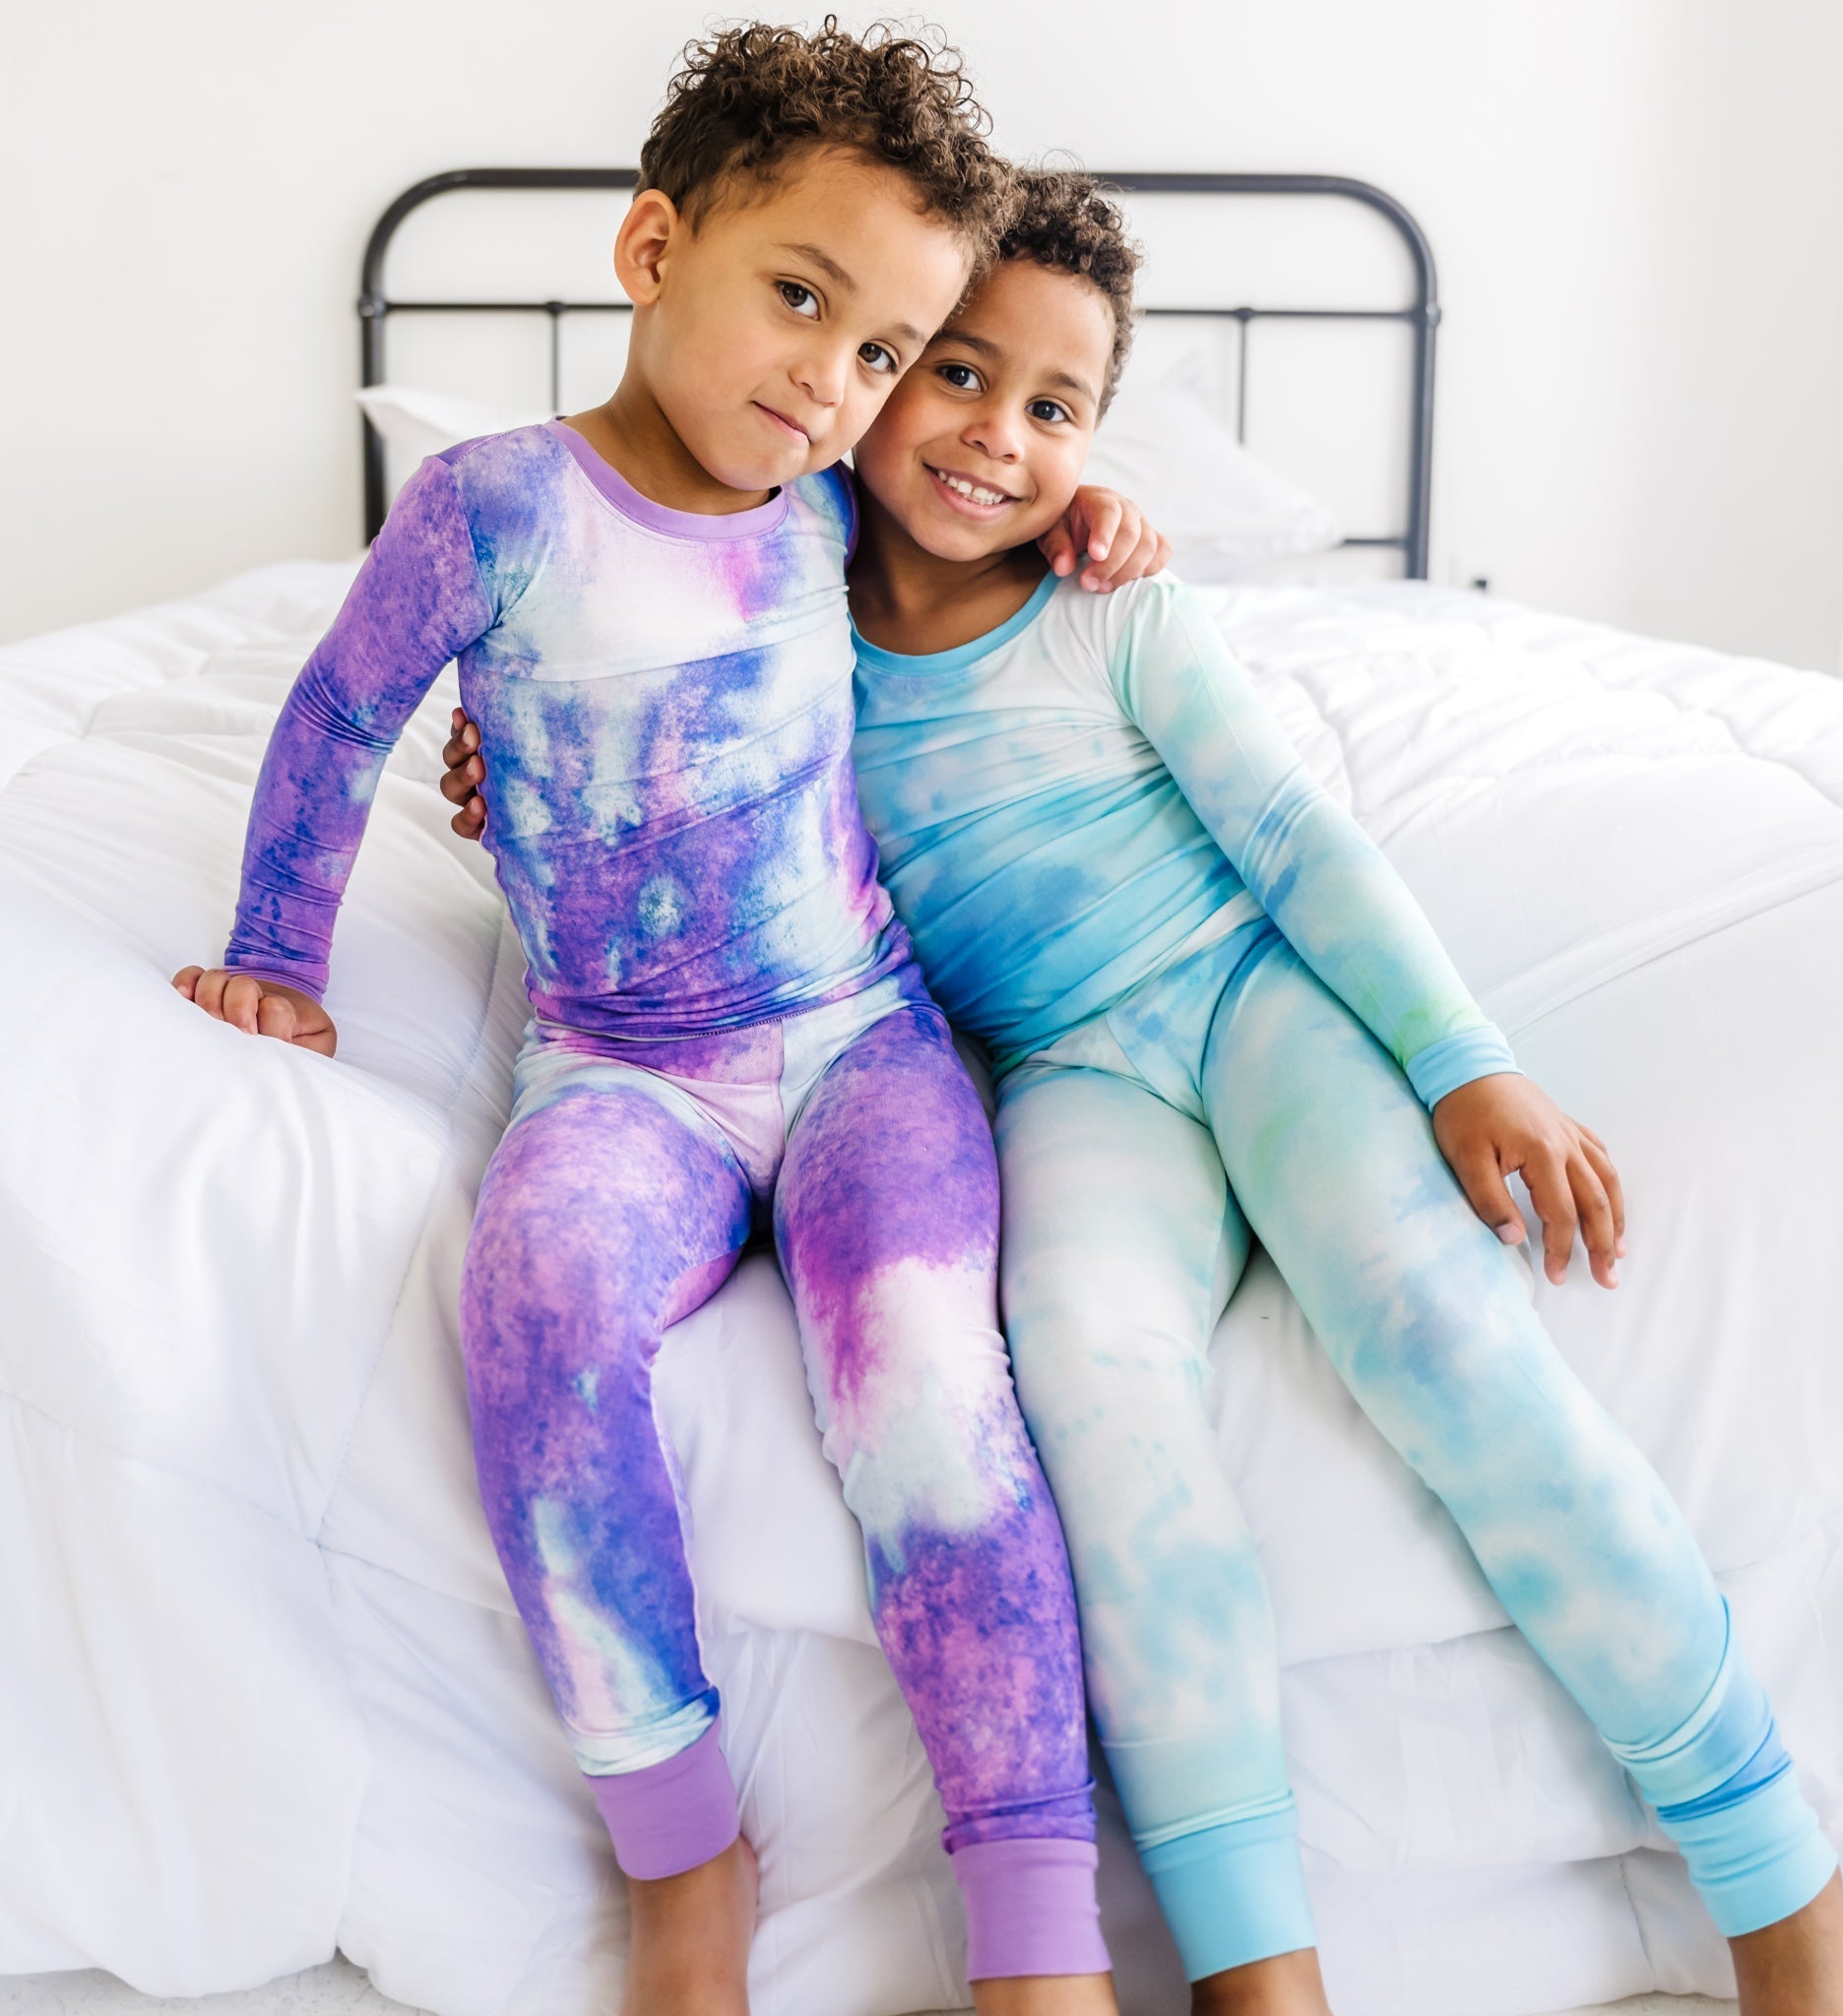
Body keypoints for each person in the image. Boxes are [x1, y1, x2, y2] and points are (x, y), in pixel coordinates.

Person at [446, 169, 1843, 2016]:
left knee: (1446, 1339)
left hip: (1256, 1006)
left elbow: (1299, 839)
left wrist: (1465, 1065)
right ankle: (1259, 1974)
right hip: (1068, 1076)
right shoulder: (777, 615)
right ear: (871, 371)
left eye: (1056, 409)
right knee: (1098, 1417)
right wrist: (525, 744)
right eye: (955, 373)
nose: (995, 436)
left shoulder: (1113, 607)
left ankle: (1778, 1880)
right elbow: (650, 718)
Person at [173, 30, 1171, 2016]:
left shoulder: (836, 504)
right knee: (534, 1303)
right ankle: (683, 1849)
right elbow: (343, 716)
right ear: (651, 251)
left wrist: (1089, 509)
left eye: (885, 351)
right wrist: (279, 949)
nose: (834, 381)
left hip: (864, 1043)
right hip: (626, 1068)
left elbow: (980, 506)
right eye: (799, 298)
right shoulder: (492, 509)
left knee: (927, 1387)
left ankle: (1035, 1922)